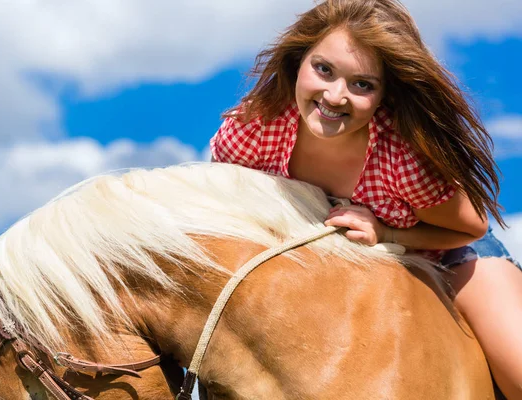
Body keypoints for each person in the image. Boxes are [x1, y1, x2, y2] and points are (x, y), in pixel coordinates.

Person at [209, 0, 522, 397]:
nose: (335, 95)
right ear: (298, 62)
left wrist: (388, 232)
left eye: (362, 84)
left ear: (382, 96)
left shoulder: (401, 157)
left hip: (449, 251)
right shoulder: (252, 130)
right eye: (324, 69)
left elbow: (468, 227)